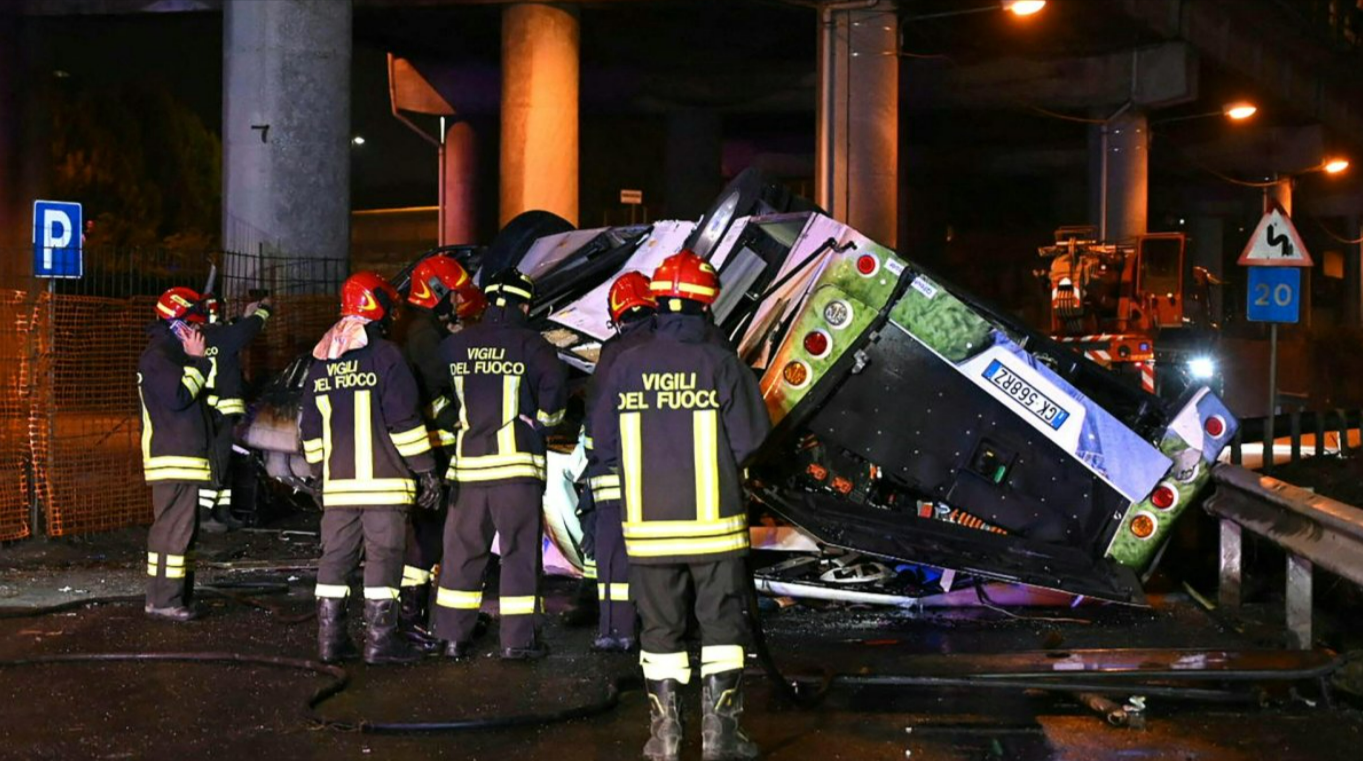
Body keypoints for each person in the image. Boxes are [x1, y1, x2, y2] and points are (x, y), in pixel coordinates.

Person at [591, 250, 771, 761]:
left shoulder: (625, 365)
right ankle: (721, 739)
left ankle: (664, 740)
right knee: (721, 628)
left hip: (648, 530)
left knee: (659, 629)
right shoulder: (720, 363)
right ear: (705, 307)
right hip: (715, 526)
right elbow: (753, 437)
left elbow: (602, 443)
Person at [300, 272, 443, 665]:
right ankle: (380, 645)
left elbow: (310, 429)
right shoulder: (387, 356)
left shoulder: (321, 363)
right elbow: (405, 421)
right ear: (378, 306)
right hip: (384, 487)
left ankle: (330, 643)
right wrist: (427, 470)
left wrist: (317, 474)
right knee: (384, 559)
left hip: (338, 488)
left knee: (336, 560)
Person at [431, 268, 568, 660]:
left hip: (468, 471)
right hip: (516, 472)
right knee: (519, 555)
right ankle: (517, 642)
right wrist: (542, 422)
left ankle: (452, 637)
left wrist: (451, 419)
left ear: (490, 301)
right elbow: (554, 397)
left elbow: (429, 389)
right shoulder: (533, 345)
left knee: (461, 554)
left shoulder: (457, 345)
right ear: (524, 304)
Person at [388, 254, 483, 650]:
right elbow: (442, 379)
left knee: (427, 535)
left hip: (420, 447)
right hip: (431, 448)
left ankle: (415, 617)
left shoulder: (414, 327)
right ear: (438, 293)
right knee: (431, 535)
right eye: (453, 296)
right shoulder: (424, 334)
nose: (456, 303)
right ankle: (414, 620)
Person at [581, 270, 658, 652]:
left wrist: (598, 456)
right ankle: (661, 624)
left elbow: (598, 412)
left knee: (613, 553)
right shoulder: (669, 344)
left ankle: (615, 629)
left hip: (615, 470)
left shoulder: (614, 352)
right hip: (662, 471)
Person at [138, 286, 215, 622]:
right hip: (175, 457)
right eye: (194, 325)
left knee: (176, 531)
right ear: (178, 324)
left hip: (181, 457)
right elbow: (179, 396)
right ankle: (166, 601)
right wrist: (199, 362)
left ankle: (167, 597)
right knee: (174, 531)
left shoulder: (168, 355)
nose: (199, 332)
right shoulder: (160, 357)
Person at [197, 294, 273, 533]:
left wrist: (243, 316)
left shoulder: (206, 337)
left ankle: (221, 512)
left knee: (225, 464)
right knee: (217, 464)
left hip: (212, 411)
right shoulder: (221, 336)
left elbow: (234, 327)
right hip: (219, 411)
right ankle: (204, 516)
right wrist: (263, 311)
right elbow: (247, 330)